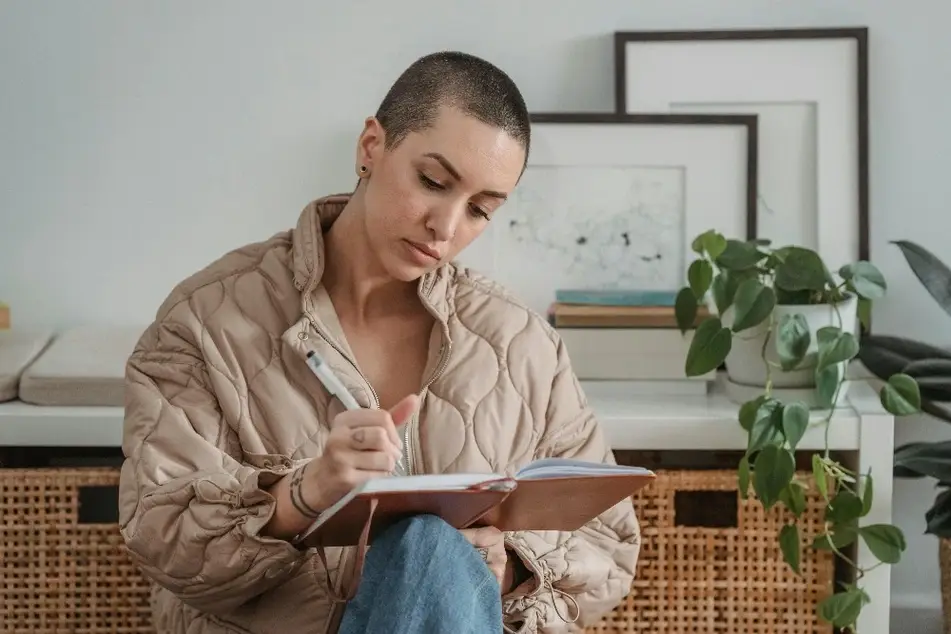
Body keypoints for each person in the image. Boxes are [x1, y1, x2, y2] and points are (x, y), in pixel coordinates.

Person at [117, 50, 641, 634]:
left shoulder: (521, 343)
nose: (446, 227)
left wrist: (505, 571)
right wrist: (305, 493)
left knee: (429, 551)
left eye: (480, 210)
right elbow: (165, 543)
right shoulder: (206, 322)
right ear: (371, 146)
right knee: (427, 546)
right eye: (432, 182)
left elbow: (609, 548)